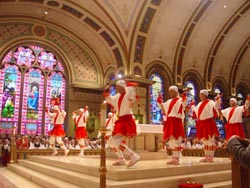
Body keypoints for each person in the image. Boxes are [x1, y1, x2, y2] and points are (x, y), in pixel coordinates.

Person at [103, 80, 140, 167]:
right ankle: (122, 159)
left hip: (126, 119)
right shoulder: (118, 96)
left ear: (122, 87)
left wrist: (129, 85)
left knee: (115, 142)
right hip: (121, 120)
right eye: (116, 86)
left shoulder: (127, 94)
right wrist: (107, 92)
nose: (116, 88)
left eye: (117, 86)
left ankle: (133, 156)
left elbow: (132, 95)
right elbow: (110, 100)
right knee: (112, 142)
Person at [157, 86, 187, 165]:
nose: (170, 93)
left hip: (176, 121)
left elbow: (183, 104)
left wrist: (184, 97)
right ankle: (174, 157)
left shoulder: (180, 100)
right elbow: (163, 108)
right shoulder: (169, 101)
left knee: (176, 140)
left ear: (176, 92)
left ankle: (177, 158)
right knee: (171, 141)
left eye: (172, 91)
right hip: (169, 121)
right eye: (169, 91)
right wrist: (159, 102)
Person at [191, 89, 221, 163]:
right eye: (200, 94)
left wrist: (217, 100)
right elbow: (195, 111)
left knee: (210, 140)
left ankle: (211, 156)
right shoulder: (199, 104)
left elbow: (216, 107)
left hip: (209, 122)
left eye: (202, 94)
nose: (200, 96)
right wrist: (192, 106)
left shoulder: (210, 102)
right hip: (202, 123)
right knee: (204, 141)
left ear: (205, 95)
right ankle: (206, 156)